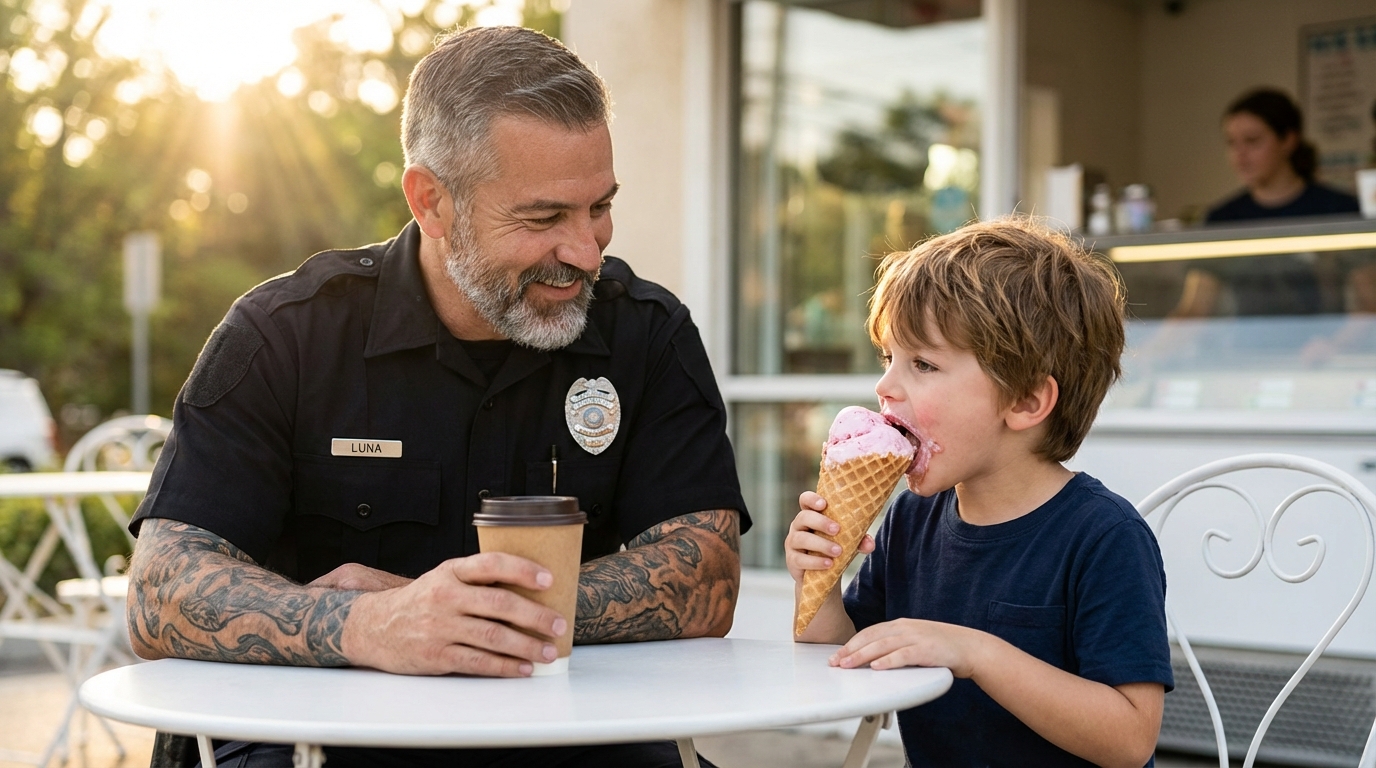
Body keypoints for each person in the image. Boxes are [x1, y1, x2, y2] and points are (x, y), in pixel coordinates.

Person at [125, 26, 748, 768]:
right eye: (545, 218)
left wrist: (453, 613)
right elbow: (159, 592)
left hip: (559, 739)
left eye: (599, 208)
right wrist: (373, 627)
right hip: (316, 741)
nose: (586, 251)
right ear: (432, 202)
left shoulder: (650, 335)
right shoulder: (283, 335)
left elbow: (706, 577)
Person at [786, 219, 1173, 766]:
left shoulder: (1104, 537)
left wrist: (977, 653)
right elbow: (840, 658)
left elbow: (1130, 738)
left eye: (922, 364)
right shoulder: (912, 520)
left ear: (1025, 402)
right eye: (887, 358)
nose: (885, 386)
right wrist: (818, 585)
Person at [1205, 88, 1359, 223]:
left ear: (1288, 141)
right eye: (1232, 143)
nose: (1240, 154)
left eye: (1252, 140)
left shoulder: (1339, 210)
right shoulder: (1222, 219)